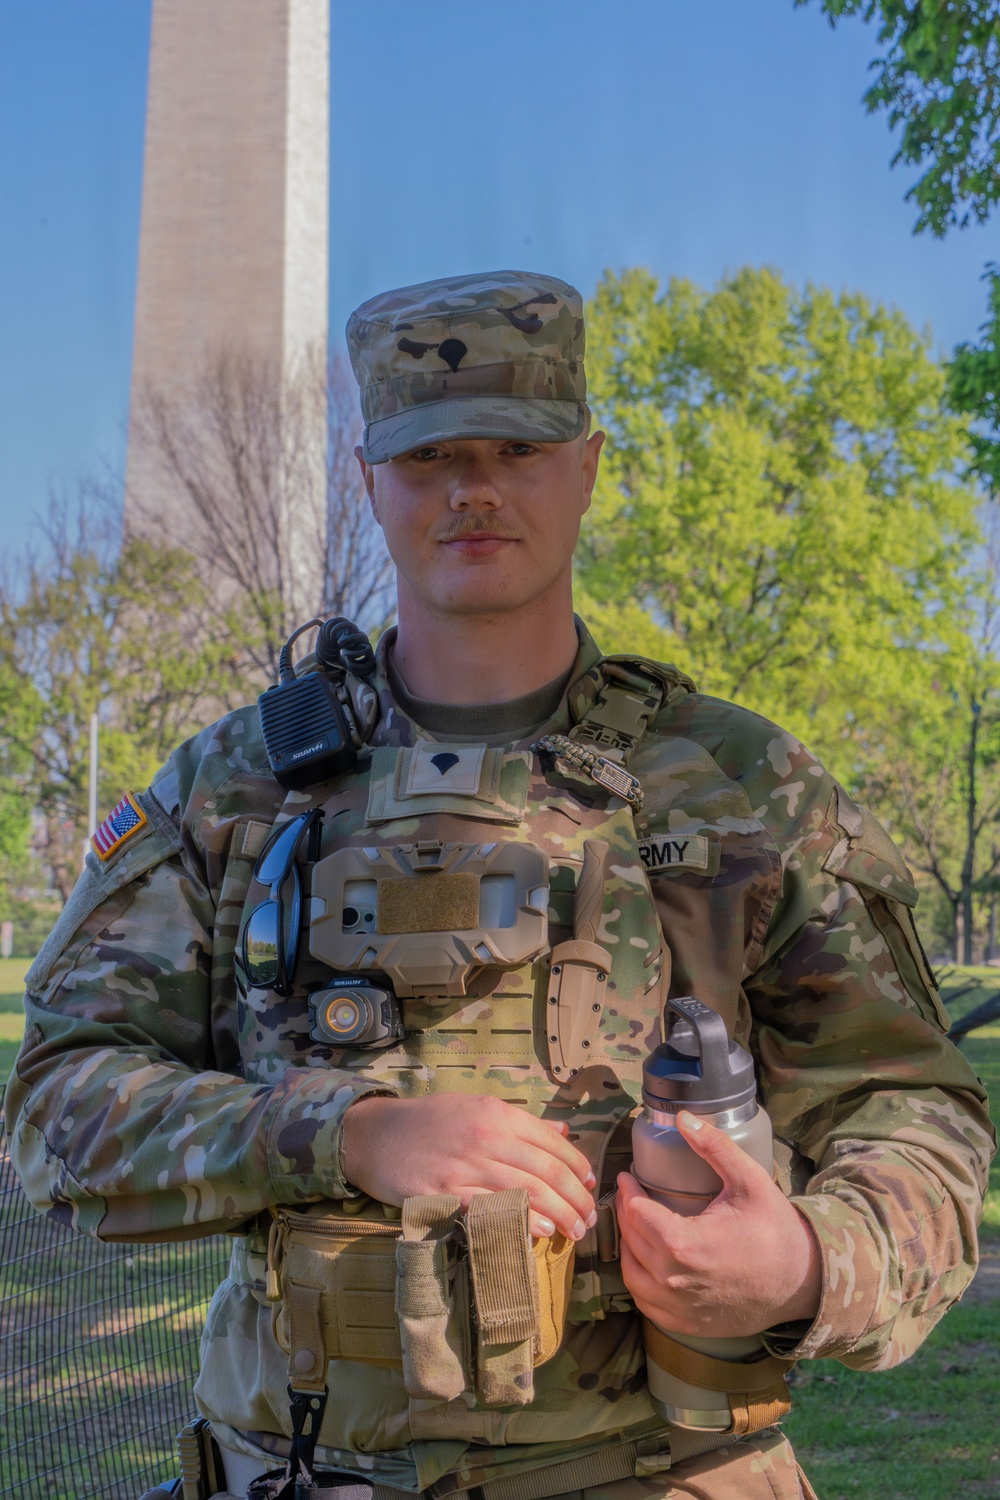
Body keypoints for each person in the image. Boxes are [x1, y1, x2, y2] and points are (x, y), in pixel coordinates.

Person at [5, 270, 995, 1500]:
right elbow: (56, 1101)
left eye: (515, 449)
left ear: (586, 463)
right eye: (429, 457)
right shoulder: (239, 786)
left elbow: (917, 1109)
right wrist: (343, 1134)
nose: (473, 488)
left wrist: (804, 1260)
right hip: (299, 1471)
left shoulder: (737, 786)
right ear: (368, 480)